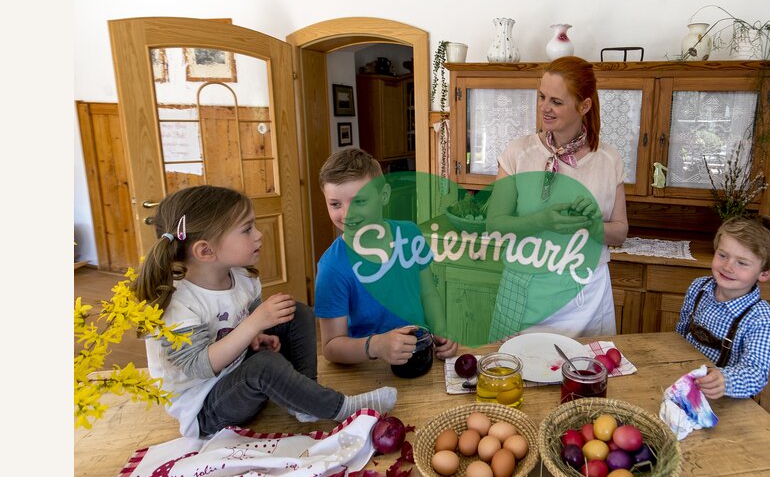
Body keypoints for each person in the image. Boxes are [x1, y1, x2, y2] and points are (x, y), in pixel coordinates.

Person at [133, 185, 396, 438]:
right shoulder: (178, 302)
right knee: (264, 365)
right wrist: (253, 326)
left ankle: (305, 399)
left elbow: (238, 323)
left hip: (237, 371)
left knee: (297, 312)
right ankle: (339, 407)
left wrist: (256, 335)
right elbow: (199, 367)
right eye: (247, 229)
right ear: (206, 250)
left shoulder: (241, 277)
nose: (258, 234)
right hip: (207, 408)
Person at [486, 56, 629, 340]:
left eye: (556, 101)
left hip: (586, 294)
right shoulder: (518, 153)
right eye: (542, 97)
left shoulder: (608, 159)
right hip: (525, 290)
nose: (544, 107)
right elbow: (495, 225)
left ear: (584, 106)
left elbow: (620, 231)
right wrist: (543, 220)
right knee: (516, 365)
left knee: (585, 367)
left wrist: (589, 225)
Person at [314, 147, 458, 364]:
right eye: (335, 204)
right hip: (369, 367)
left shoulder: (410, 234)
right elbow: (331, 347)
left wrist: (441, 329)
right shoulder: (332, 268)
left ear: (384, 195)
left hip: (420, 353)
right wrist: (376, 345)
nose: (347, 214)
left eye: (359, 201)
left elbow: (428, 292)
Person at [676, 213, 770, 400]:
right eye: (722, 255)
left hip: (723, 399)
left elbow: (756, 373)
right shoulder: (698, 288)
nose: (727, 267)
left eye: (742, 263)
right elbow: (680, 333)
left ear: (765, 273)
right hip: (682, 384)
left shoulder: (762, 319)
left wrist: (725, 381)